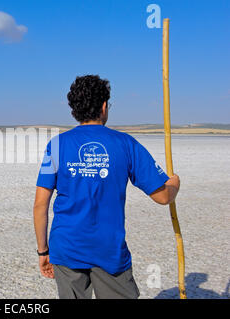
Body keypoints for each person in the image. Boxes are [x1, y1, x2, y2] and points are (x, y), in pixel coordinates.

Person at [33, 75, 181, 299]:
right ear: (104, 106)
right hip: (108, 251)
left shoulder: (56, 145)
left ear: (74, 109)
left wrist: (43, 250)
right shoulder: (125, 143)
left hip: (66, 248)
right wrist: (175, 184)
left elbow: (40, 205)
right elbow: (162, 196)